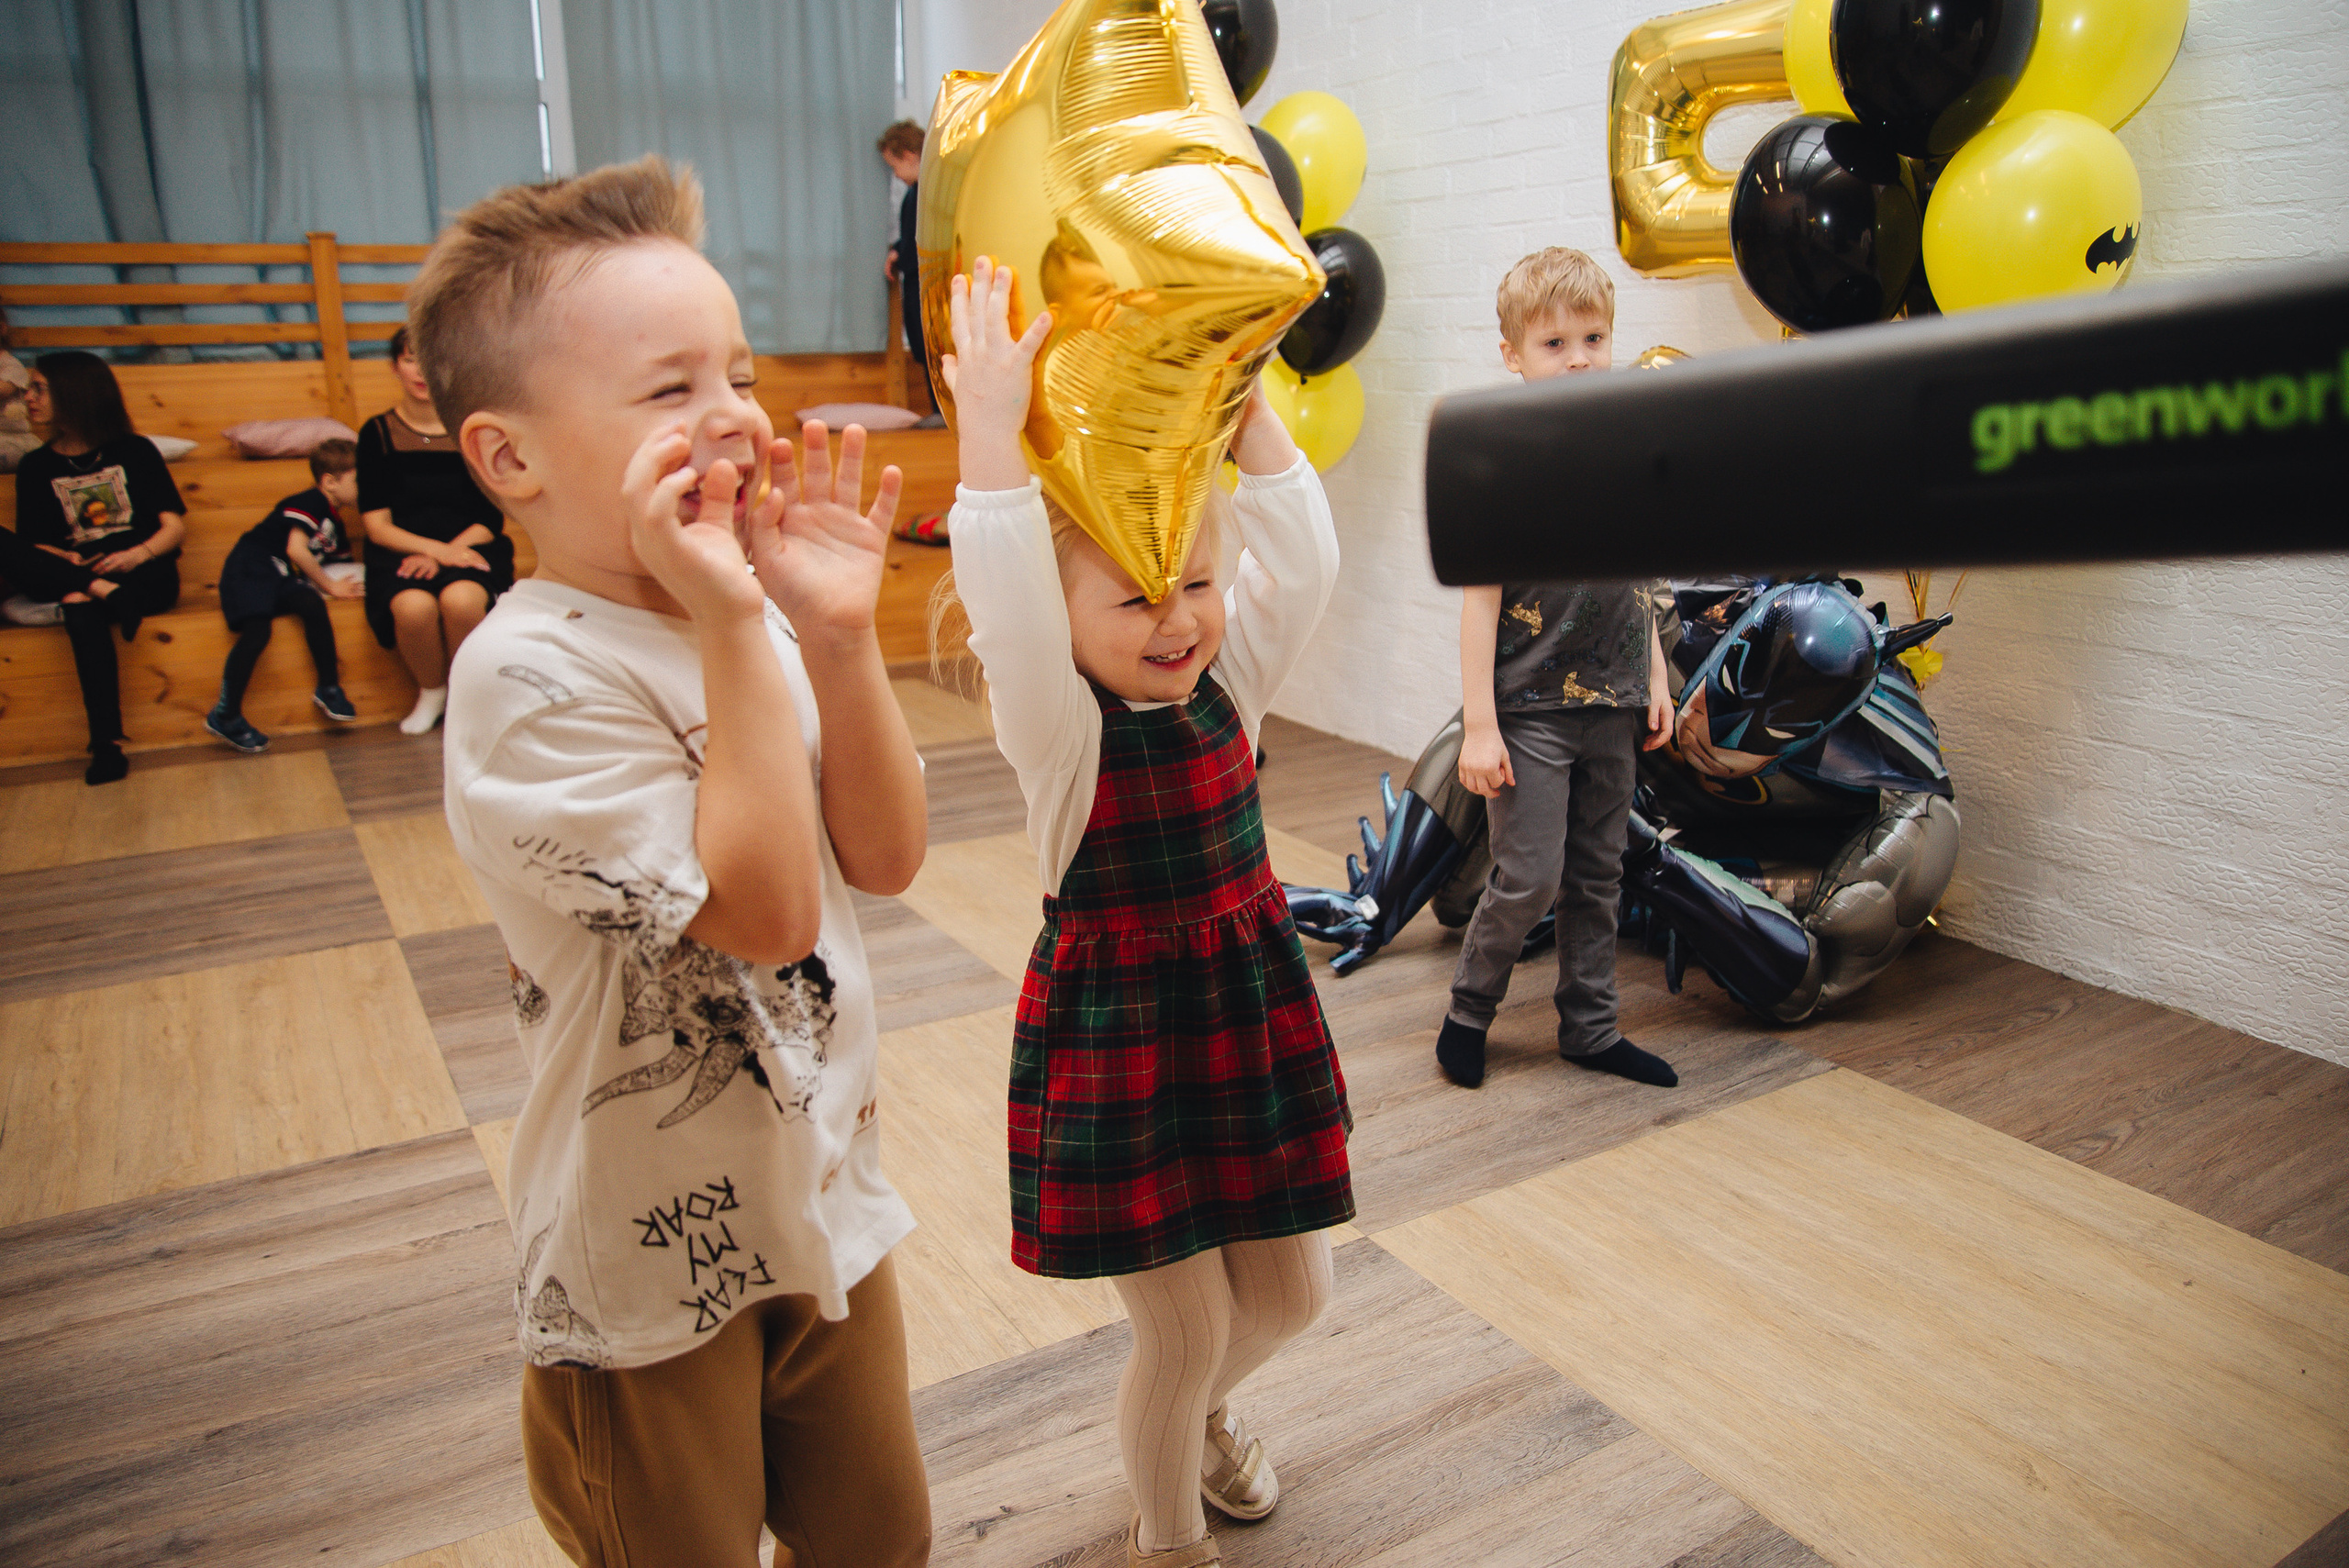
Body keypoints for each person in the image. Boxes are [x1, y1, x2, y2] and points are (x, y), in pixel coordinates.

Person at [423, 157, 930, 1568]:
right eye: (668, 389)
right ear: (510, 456)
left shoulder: (745, 609)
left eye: (740, 371)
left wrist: (829, 632)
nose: (732, 417)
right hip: (644, 1270)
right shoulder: (527, 673)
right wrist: (731, 618)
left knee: (880, 1544)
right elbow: (765, 916)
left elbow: (881, 858)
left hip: (824, 1201)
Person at [941, 255, 1352, 1568]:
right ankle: (1169, 1533)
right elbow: (1005, 605)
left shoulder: (1232, 673)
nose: (1174, 619)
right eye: (1130, 595)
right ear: (1065, 620)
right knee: (1175, 1332)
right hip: (1121, 1049)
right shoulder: (1060, 730)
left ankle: (1211, 1410)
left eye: (1192, 582)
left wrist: (1243, 404)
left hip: (1243, 1020)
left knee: (1292, 1293)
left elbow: (1304, 543)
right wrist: (991, 441)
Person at [1431, 246, 1681, 1092]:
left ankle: (1591, 1026)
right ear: (1512, 355)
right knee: (1529, 876)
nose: (1579, 357)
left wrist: (1655, 674)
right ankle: (1469, 1009)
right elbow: (1479, 603)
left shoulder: (1627, 455)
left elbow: (1638, 577)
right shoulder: (1499, 464)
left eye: (1594, 337)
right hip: (1528, 710)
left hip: (1611, 703)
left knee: (1599, 874)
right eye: (1554, 343)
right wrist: (1479, 722)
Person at [0, 351, 186, 784]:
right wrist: (62, 557)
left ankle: (106, 745)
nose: (28, 398)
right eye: (28, 388)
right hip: (76, 573)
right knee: (77, 592)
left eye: (39, 388)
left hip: (141, 574)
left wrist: (138, 553)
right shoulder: (36, 466)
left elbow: (173, 526)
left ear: (73, 393)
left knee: (76, 601)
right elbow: (34, 544)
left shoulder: (134, 451)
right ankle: (100, 592)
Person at [359, 324, 514, 735]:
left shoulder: (471, 431)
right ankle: (432, 692)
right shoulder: (375, 434)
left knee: (461, 601)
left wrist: (445, 554)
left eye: (429, 360)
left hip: (470, 547)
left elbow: (490, 517)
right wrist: (432, 553)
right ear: (395, 366)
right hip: (399, 552)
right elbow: (376, 525)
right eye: (411, 359)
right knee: (413, 607)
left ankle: (471, 700)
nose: (420, 371)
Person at [204, 439, 365, 752]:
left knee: (310, 602)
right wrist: (330, 586)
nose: (365, 487)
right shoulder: (312, 501)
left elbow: (336, 562)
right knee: (257, 632)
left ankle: (329, 687)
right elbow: (296, 549)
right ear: (329, 482)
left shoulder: (335, 521)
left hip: (281, 575)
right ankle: (225, 714)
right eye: (359, 481)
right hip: (252, 566)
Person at [877, 120, 930, 406]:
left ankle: (940, 410)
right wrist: (898, 249)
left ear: (910, 157)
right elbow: (910, 235)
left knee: (928, 345)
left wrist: (904, 252)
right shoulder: (914, 193)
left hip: (923, 280)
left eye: (894, 167)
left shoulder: (927, 192)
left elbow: (923, 238)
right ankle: (937, 410)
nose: (896, 176)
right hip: (913, 276)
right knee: (920, 345)